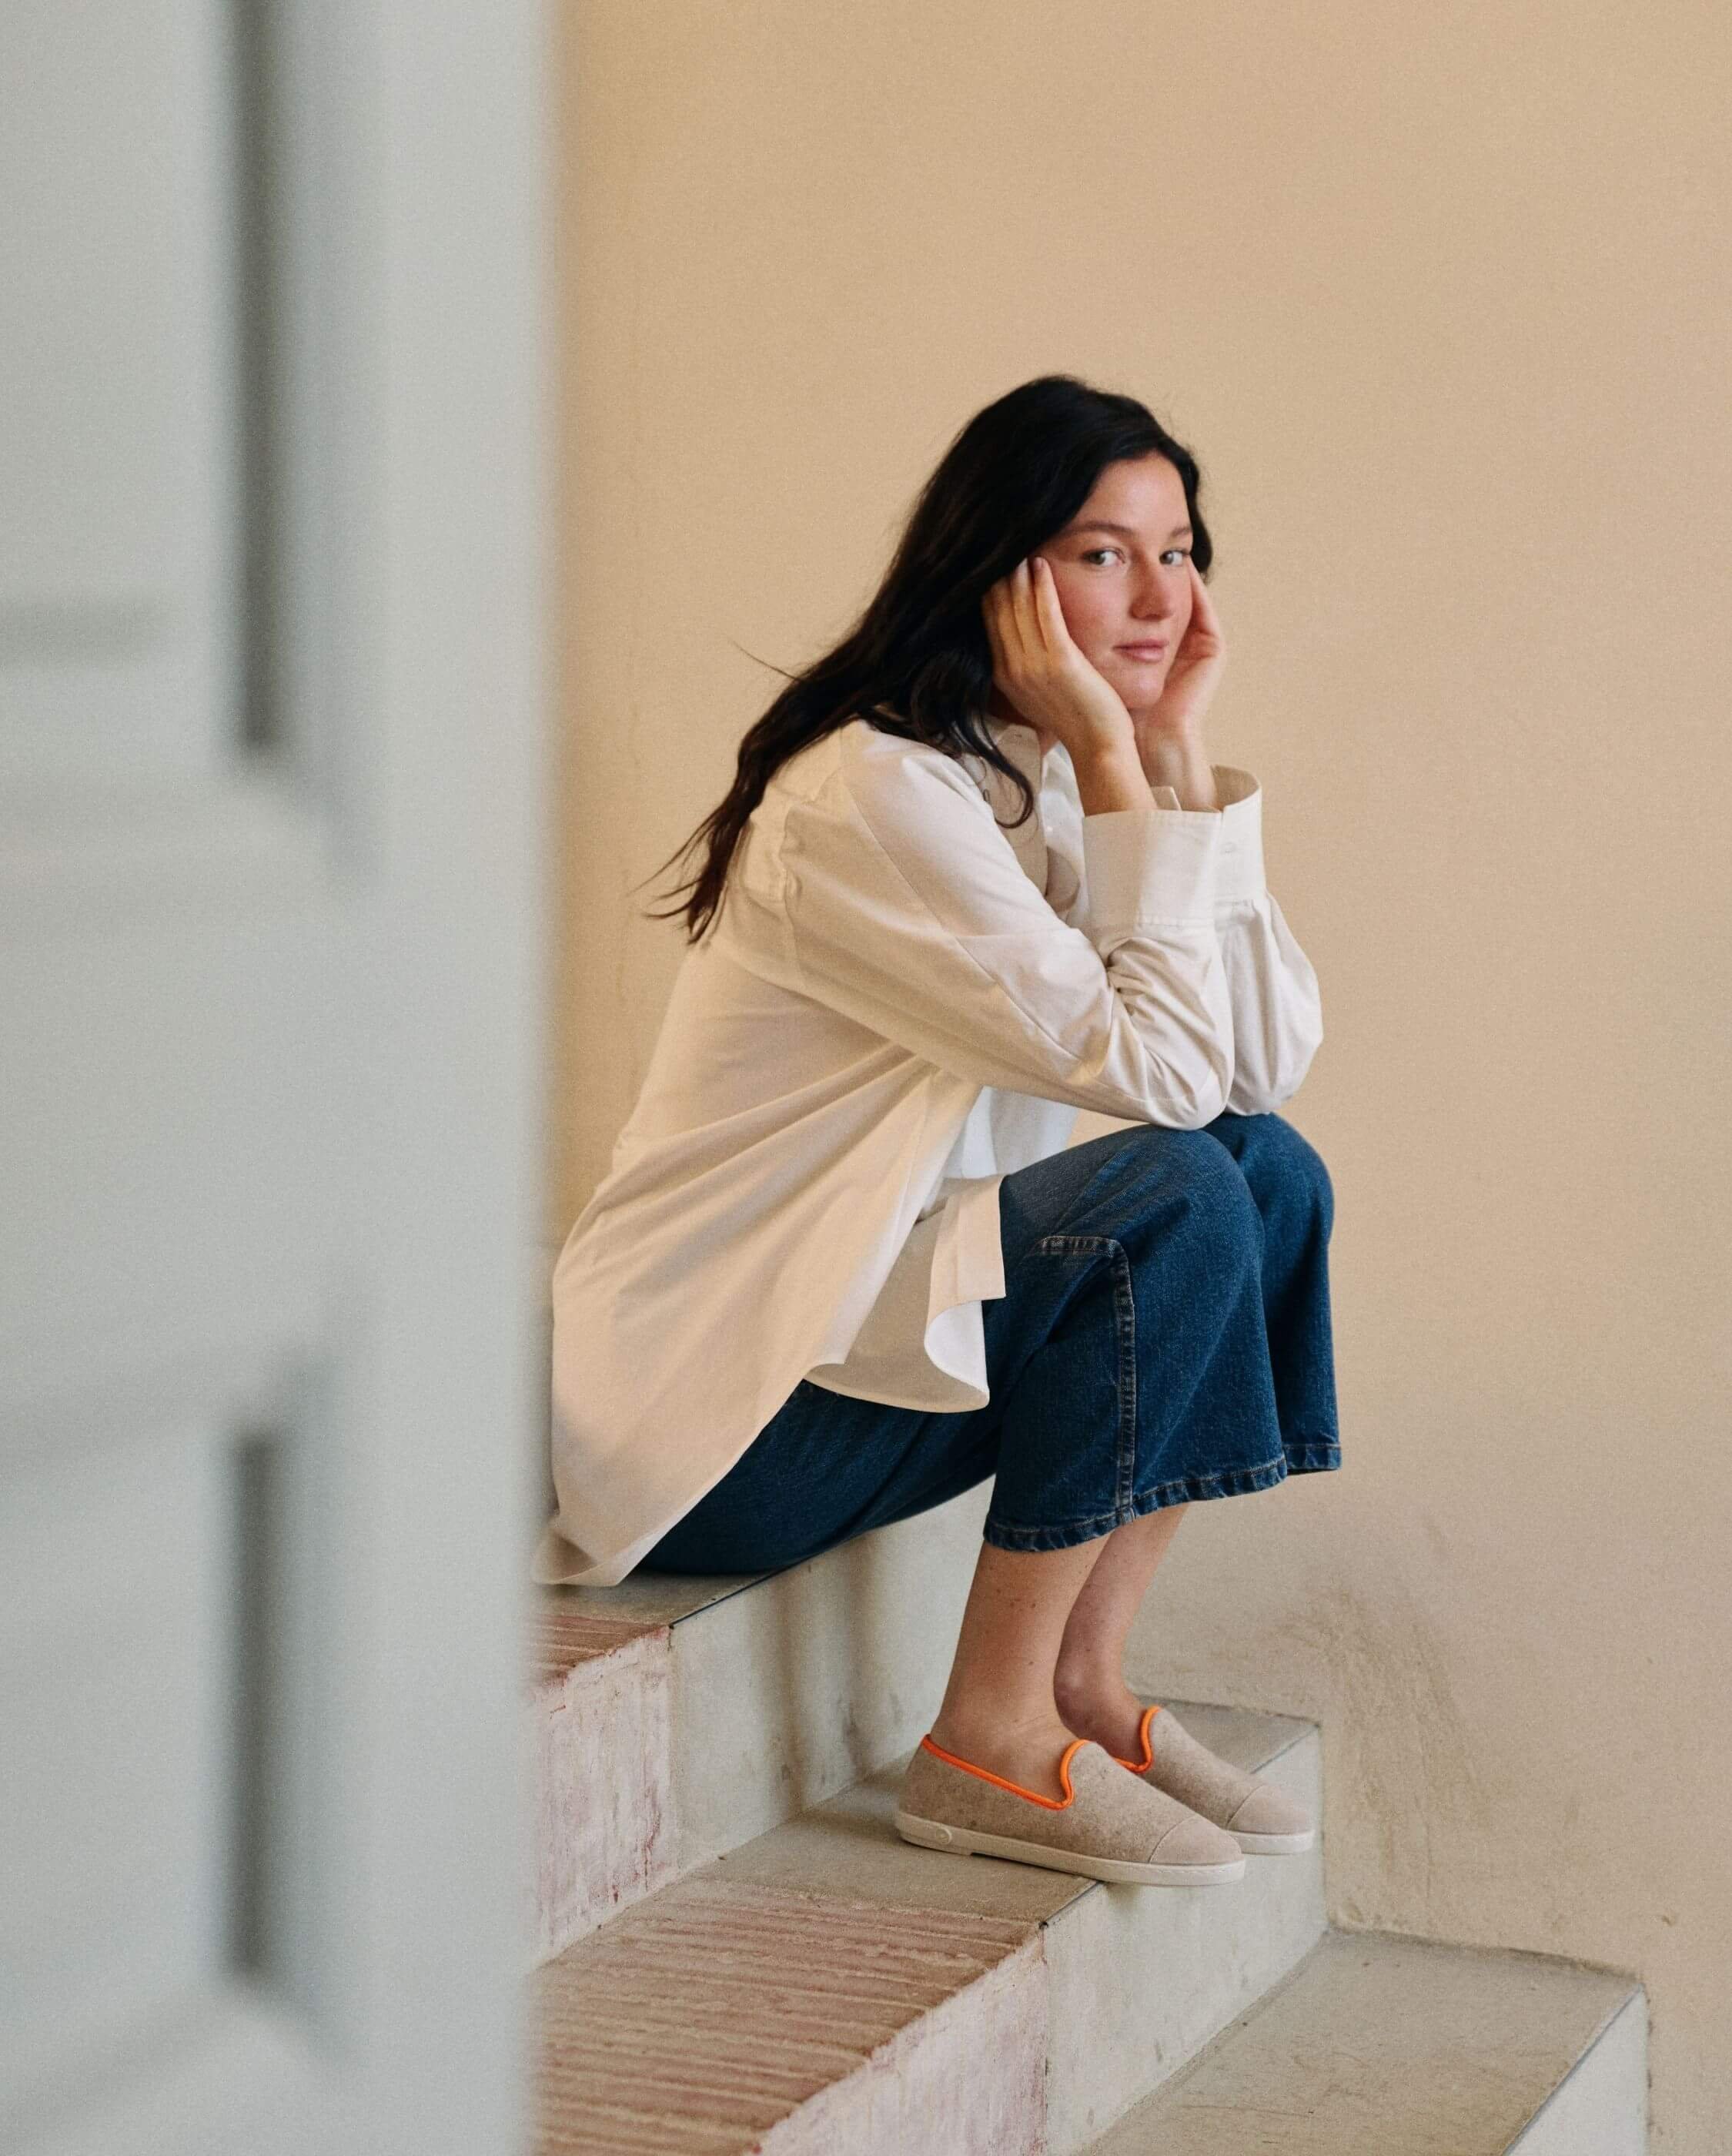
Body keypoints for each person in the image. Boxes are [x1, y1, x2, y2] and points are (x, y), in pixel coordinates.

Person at [533, 373, 1339, 1888]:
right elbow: (1163, 1076)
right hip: (724, 1419)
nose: (1161, 594)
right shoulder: (873, 794)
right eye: (1106, 552)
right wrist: (1119, 771)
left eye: (1180, 550)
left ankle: (1084, 1683)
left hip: (877, 1345)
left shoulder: (1029, 771)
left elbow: (1258, 1057)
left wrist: (1168, 770)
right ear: (1003, 569)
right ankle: (985, 1734)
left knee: (1266, 1172)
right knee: (1173, 1186)